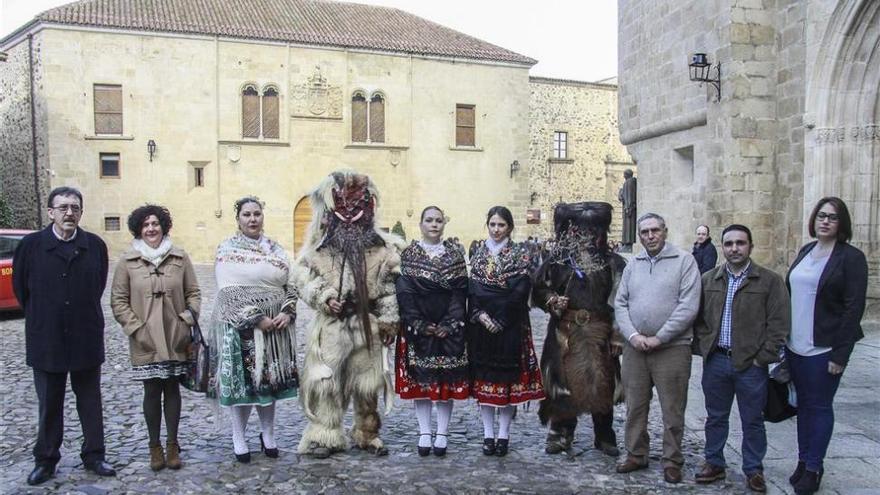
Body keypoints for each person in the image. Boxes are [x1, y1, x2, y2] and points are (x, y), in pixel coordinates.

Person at [293, 170, 402, 458]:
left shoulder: (379, 249)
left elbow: (389, 286)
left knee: (368, 384)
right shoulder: (320, 247)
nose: (351, 213)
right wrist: (324, 297)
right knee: (327, 380)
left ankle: (367, 432)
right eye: (345, 205)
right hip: (332, 325)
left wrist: (390, 320)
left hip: (369, 324)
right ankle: (324, 434)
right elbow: (302, 276)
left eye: (358, 205)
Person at [12, 186, 116, 485]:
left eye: (75, 207)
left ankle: (94, 454)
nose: (69, 213)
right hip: (47, 337)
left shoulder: (94, 245)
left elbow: (97, 285)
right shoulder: (31, 246)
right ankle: (45, 459)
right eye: (63, 208)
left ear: (81, 212)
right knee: (50, 402)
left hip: (85, 334)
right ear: (50, 212)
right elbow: (22, 290)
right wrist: (46, 315)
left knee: (90, 400)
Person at [693, 224, 790, 492]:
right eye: (729, 244)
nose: (734, 248)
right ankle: (714, 461)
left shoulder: (770, 281)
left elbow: (779, 324)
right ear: (722, 247)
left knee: (753, 419)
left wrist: (763, 358)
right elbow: (698, 318)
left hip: (751, 364)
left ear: (750, 246)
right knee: (715, 416)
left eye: (740, 243)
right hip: (717, 360)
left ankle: (753, 469)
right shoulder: (709, 279)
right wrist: (705, 346)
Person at [207, 196, 299, 463]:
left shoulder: (276, 249)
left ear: (262, 217)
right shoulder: (227, 248)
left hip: (275, 328)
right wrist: (256, 318)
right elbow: (227, 291)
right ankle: (239, 437)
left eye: (257, 214)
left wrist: (287, 311)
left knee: (269, 383)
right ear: (238, 219)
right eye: (246, 215)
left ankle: (268, 435)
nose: (252, 219)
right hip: (242, 327)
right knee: (246, 385)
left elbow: (290, 284)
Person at [785, 197, 868, 495]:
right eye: (821, 216)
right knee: (801, 406)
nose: (825, 221)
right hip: (795, 346)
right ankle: (803, 459)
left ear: (841, 223)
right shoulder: (807, 251)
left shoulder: (851, 257)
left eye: (832, 217)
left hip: (823, 350)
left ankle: (814, 467)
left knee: (819, 407)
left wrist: (840, 354)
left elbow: (853, 308)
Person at [111, 205, 201, 471]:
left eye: (155, 224)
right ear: (139, 229)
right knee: (151, 390)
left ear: (163, 226)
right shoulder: (128, 261)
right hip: (145, 338)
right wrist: (136, 329)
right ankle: (154, 447)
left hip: (175, 336)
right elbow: (118, 300)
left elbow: (194, 292)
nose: (151, 229)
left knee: (172, 388)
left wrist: (187, 320)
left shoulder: (180, 257)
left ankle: (173, 444)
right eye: (145, 225)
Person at [532, 202, 626, 457]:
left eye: (591, 230)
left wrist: (618, 335)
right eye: (580, 230)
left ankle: (604, 435)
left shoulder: (613, 262)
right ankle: (561, 434)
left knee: (603, 383)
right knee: (562, 383)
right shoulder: (558, 262)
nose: (586, 236)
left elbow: (621, 301)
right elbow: (538, 289)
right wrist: (552, 300)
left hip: (600, 334)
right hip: (565, 333)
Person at [613, 212, 700, 484]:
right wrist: (633, 335)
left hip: (672, 348)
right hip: (635, 347)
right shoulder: (633, 265)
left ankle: (672, 459)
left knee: (672, 408)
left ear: (665, 231)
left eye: (655, 230)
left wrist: (660, 337)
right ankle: (636, 453)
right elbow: (621, 303)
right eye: (644, 232)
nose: (650, 236)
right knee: (635, 405)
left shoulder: (684, 261)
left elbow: (688, 306)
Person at [468, 206, 545, 457]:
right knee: (486, 383)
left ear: (509, 227)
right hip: (482, 326)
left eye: (501, 225)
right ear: (487, 226)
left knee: (507, 384)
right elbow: (473, 290)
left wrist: (500, 319)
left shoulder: (520, 256)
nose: (497, 229)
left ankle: (503, 435)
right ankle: (488, 434)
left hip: (510, 324)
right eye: (492, 225)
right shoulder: (478, 255)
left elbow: (520, 291)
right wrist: (480, 315)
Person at [395, 206, 469, 457]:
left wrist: (450, 323)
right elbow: (404, 291)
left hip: (448, 329)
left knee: (445, 383)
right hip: (420, 328)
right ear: (421, 224)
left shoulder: (455, 255)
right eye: (429, 220)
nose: (434, 225)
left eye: (438, 220)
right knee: (422, 382)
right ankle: (425, 431)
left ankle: (443, 433)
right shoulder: (408, 255)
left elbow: (460, 291)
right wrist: (417, 322)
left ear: (444, 224)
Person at [618, 169, 637, 252]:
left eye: (624, 174)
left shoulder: (628, 183)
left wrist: (628, 207)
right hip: (630, 208)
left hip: (628, 209)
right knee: (628, 227)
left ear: (627, 174)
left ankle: (628, 244)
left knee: (628, 227)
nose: (623, 176)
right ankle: (627, 244)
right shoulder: (633, 182)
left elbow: (628, 196)